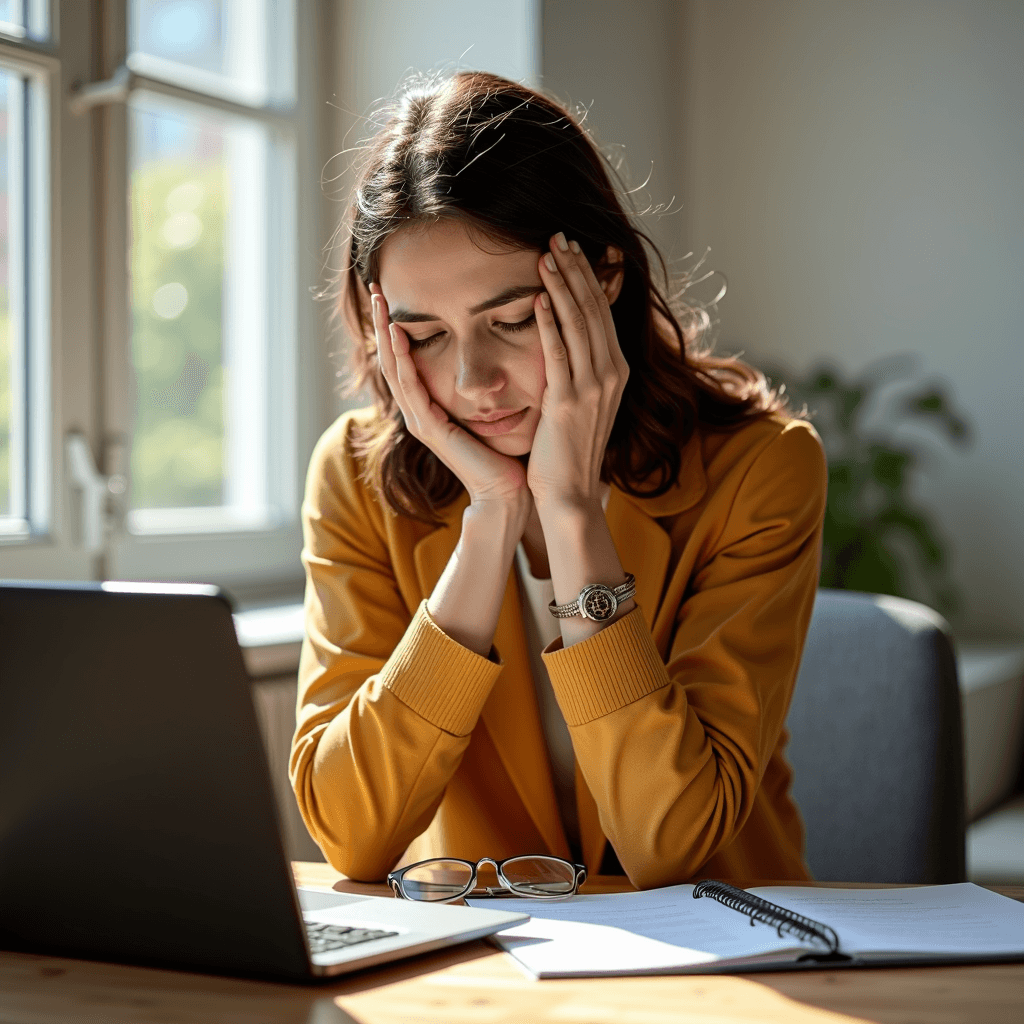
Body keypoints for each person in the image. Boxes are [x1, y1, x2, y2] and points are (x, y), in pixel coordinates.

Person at [290, 70, 827, 889]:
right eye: (425, 335)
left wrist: (571, 514)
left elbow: (670, 843)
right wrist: (492, 519)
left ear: (604, 278)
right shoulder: (357, 477)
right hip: (482, 972)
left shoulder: (760, 471)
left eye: (511, 321)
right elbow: (350, 834)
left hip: (723, 963)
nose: (473, 380)